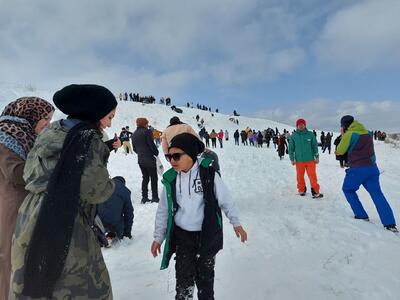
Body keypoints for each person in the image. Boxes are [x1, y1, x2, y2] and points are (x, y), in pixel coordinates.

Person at [10, 84, 117, 299]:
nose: (110, 122)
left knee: (33, 275)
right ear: (94, 113)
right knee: (75, 284)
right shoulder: (88, 138)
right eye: (109, 116)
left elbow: (30, 174)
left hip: (31, 215)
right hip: (66, 218)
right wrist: (109, 181)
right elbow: (96, 191)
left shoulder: (50, 132)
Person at [151, 133, 247, 300]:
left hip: (206, 236)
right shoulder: (172, 179)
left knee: (205, 279)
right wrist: (159, 236)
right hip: (183, 237)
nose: (172, 160)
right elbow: (163, 210)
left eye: (176, 156)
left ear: (190, 154)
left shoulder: (208, 175)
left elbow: (226, 200)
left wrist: (236, 223)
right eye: (169, 156)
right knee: (183, 279)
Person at [0, 97, 54, 300]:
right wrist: (47, 167)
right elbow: (15, 172)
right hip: (12, 206)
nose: (47, 123)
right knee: (8, 257)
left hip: (26, 204)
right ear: (29, 117)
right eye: (45, 119)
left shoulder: (27, 136)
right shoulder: (6, 138)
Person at [336, 115, 397, 232]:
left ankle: (361, 215)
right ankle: (390, 224)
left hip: (357, 169)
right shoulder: (368, 132)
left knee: (348, 189)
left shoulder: (349, 134)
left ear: (344, 126)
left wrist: (343, 135)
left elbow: (340, 151)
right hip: (372, 168)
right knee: (377, 194)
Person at [288, 118, 323, 198]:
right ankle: (301, 190)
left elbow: (315, 146)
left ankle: (315, 191)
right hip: (299, 161)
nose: (301, 126)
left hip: (310, 160)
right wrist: (292, 159)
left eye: (302, 124)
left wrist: (317, 156)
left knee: (312, 176)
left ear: (305, 125)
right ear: (297, 126)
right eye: (299, 125)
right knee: (300, 176)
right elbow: (291, 149)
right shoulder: (294, 136)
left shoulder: (310, 134)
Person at [131, 117, 160, 203]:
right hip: (149, 159)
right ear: (144, 124)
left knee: (145, 178)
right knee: (154, 178)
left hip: (140, 160)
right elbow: (151, 144)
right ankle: (155, 197)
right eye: (147, 123)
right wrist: (156, 152)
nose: (148, 125)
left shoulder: (134, 134)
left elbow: (135, 149)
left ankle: (144, 197)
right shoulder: (147, 132)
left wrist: (141, 153)